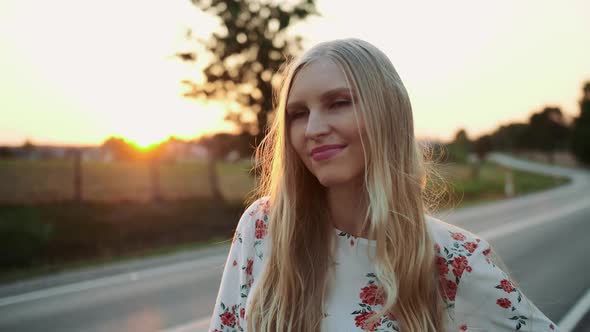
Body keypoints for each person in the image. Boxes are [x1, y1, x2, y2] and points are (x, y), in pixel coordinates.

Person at [208, 38, 558, 331]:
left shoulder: (454, 261)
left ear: (387, 114)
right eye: (298, 113)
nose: (313, 129)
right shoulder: (264, 227)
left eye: (338, 103)